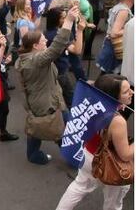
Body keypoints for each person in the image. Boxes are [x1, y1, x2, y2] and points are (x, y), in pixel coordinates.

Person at [56, 74, 133, 210]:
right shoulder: (118, 121)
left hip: (88, 154)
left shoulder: (92, 99)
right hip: (110, 163)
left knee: (79, 187)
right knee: (113, 202)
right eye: (126, 91)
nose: (132, 92)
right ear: (113, 96)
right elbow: (125, 155)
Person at [15, 5, 80, 165]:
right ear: (36, 46)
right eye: (43, 40)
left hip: (48, 99)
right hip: (48, 103)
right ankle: (74, 160)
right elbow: (56, 48)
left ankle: (33, 154)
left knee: (38, 128)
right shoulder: (36, 60)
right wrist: (69, 21)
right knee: (61, 130)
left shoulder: (28, 57)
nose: (46, 40)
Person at [44, 7, 87, 107]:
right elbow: (77, 50)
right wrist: (80, 31)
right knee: (70, 99)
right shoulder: (59, 35)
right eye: (63, 17)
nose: (66, 19)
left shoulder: (47, 32)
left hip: (53, 70)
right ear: (56, 19)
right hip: (60, 72)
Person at [97, 0, 134, 74]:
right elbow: (114, 33)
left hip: (111, 46)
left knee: (106, 79)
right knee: (109, 81)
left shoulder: (119, 7)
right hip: (115, 48)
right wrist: (130, 29)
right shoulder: (123, 10)